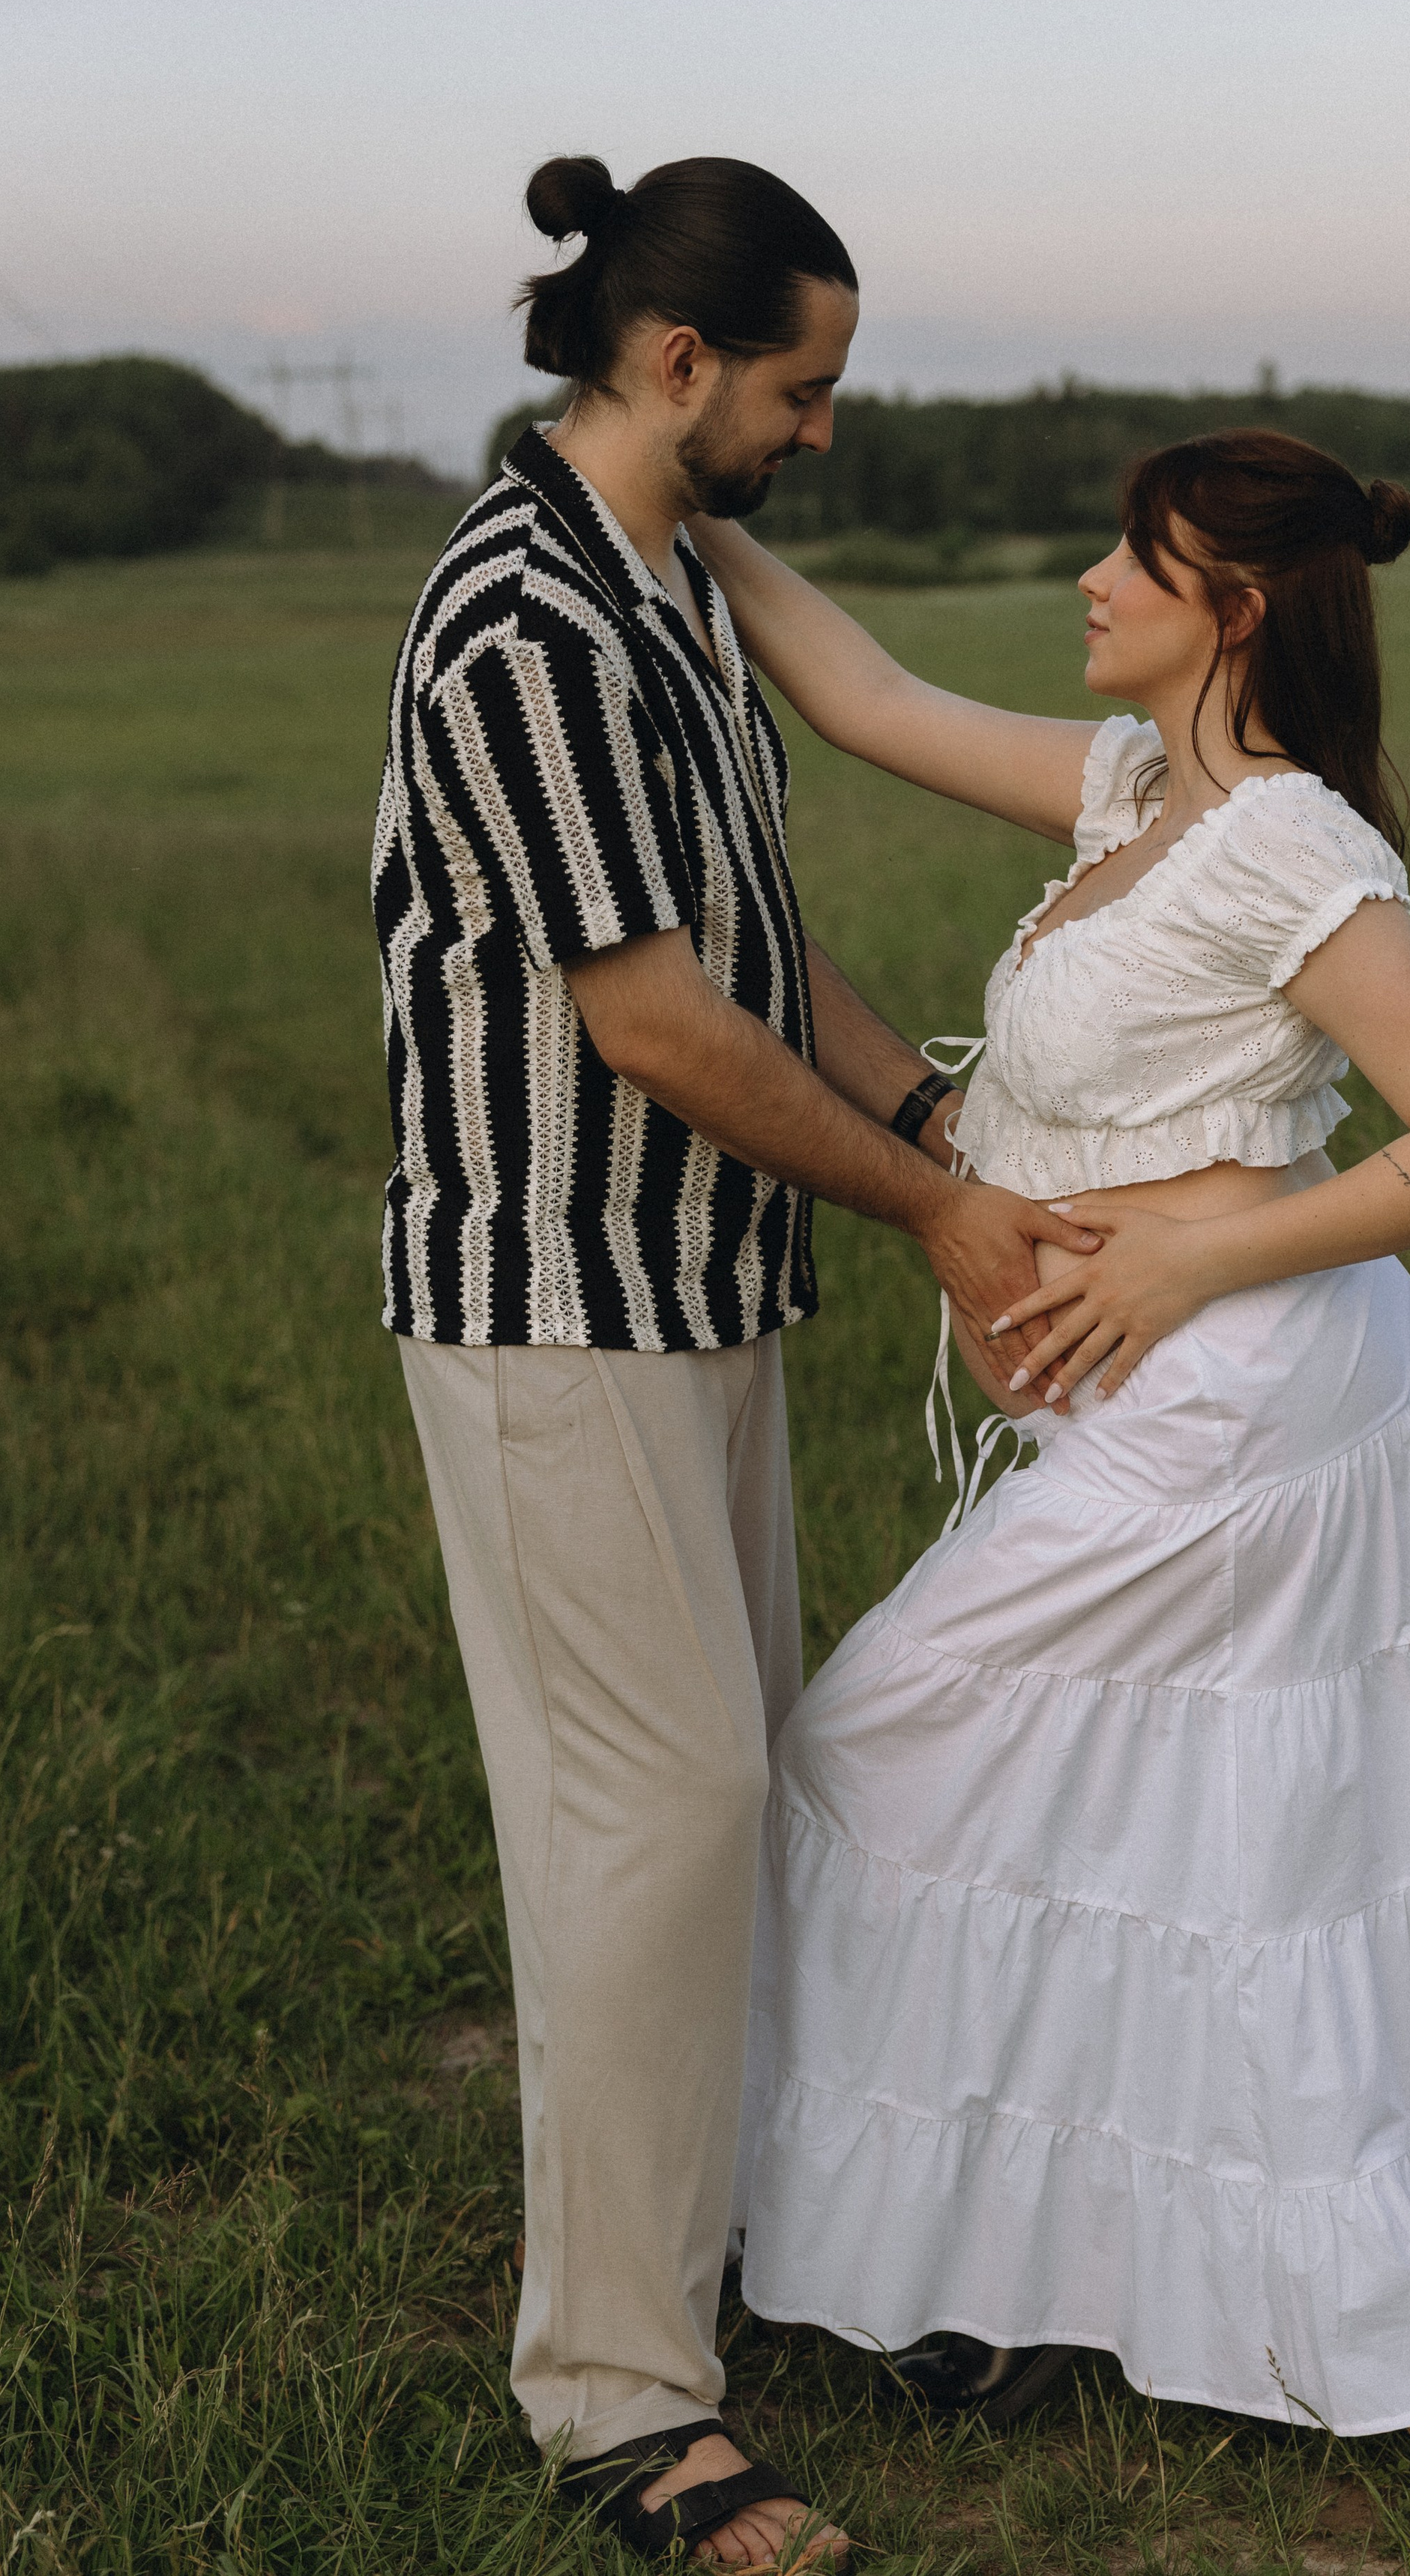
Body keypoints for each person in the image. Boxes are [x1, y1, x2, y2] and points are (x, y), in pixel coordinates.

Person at [693, 429, 1410, 2440]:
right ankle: (1061, 2274)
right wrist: (672, 512)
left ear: (1230, 610)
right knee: (1158, 1836)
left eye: (1129, 560)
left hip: (1261, 1412)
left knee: (889, 1742)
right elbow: (869, 699)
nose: (1087, 580)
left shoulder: (1292, 849)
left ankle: (1101, 2266)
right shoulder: (1136, 793)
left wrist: (1178, 1272)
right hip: (1187, 1407)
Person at [371, 152, 1096, 2569]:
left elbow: (764, 960)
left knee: (732, 1801)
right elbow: (662, 1023)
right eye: (805, 388)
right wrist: (940, 1212)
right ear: (678, 364)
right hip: (549, 1297)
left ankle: (785, 2253)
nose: (824, 430)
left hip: (696, 1288)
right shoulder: (530, 623)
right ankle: (615, 2396)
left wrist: (939, 1117)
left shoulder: (667, 585)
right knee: (648, 1821)